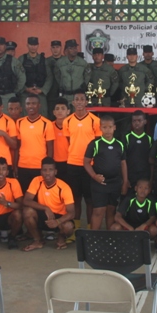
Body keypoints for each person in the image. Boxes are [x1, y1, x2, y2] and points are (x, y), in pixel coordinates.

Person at [84, 114, 128, 231]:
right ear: (100, 128)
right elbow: (86, 162)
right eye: (104, 127)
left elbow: (123, 163)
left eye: (110, 127)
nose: (107, 130)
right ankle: (93, 238)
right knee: (98, 211)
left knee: (111, 210)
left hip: (115, 183)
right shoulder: (95, 143)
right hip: (99, 183)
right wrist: (94, 176)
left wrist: (125, 182)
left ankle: (109, 237)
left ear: (114, 127)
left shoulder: (119, 144)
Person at [64, 91, 101, 229]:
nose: (79, 102)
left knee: (89, 200)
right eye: (77, 99)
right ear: (73, 103)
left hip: (89, 165)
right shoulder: (67, 121)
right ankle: (75, 230)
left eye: (82, 99)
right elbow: (69, 140)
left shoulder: (94, 120)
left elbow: (97, 143)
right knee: (76, 199)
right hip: (73, 164)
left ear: (86, 102)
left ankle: (90, 229)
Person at [22, 157, 75, 251]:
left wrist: (57, 222)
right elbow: (26, 200)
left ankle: (61, 238)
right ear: (41, 171)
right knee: (27, 212)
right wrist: (45, 208)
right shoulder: (36, 181)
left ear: (55, 172)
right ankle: (38, 240)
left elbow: (72, 213)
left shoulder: (64, 187)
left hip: (59, 218)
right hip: (43, 215)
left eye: (50, 170)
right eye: (44, 170)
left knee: (69, 226)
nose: (47, 173)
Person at [16, 95, 55, 192]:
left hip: (39, 167)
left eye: (34, 103)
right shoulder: (19, 122)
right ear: (25, 106)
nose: (31, 106)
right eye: (28, 104)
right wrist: (15, 166)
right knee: (24, 194)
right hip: (23, 166)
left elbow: (50, 148)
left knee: (39, 196)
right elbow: (18, 146)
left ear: (39, 105)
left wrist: (47, 168)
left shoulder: (47, 123)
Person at [18, 37, 52, 117]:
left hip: (40, 93)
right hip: (26, 93)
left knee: (43, 116)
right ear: (27, 45)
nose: (33, 47)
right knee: (25, 116)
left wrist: (42, 90)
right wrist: (25, 88)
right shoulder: (22, 59)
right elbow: (18, 76)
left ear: (38, 45)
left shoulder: (44, 60)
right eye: (31, 45)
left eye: (35, 45)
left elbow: (49, 77)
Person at [124, 111, 152, 197]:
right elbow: (123, 160)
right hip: (130, 176)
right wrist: (125, 179)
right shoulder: (127, 137)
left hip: (144, 176)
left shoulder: (149, 139)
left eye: (139, 120)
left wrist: (151, 179)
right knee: (128, 200)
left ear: (145, 122)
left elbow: (151, 161)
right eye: (134, 121)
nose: (137, 123)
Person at [54, 39, 88, 107]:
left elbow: (87, 75)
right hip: (65, 95)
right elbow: (57, 76)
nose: (74, 50)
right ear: (66, 50)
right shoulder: (60, 63)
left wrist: (83, 85)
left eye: (75, 48)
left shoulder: (83, 63)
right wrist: (62, 84)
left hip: (78, 96)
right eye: (71, 48)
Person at [45, 40, 63, 117]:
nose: (55, 49)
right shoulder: (46, 61)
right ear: (50, 49)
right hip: (50, 93)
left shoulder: (65, 61)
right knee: (51, 115)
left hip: (64, 92)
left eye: (57, 47)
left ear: (61, 48)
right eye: (53, 47)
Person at [51, 98, 70, 172]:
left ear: (68, 111)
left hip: (69, 161)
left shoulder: (72, 126)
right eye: (57, 109)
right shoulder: (49, 126)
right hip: (53, 162)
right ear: (54, 112)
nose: (60, 111)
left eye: (63, 108)